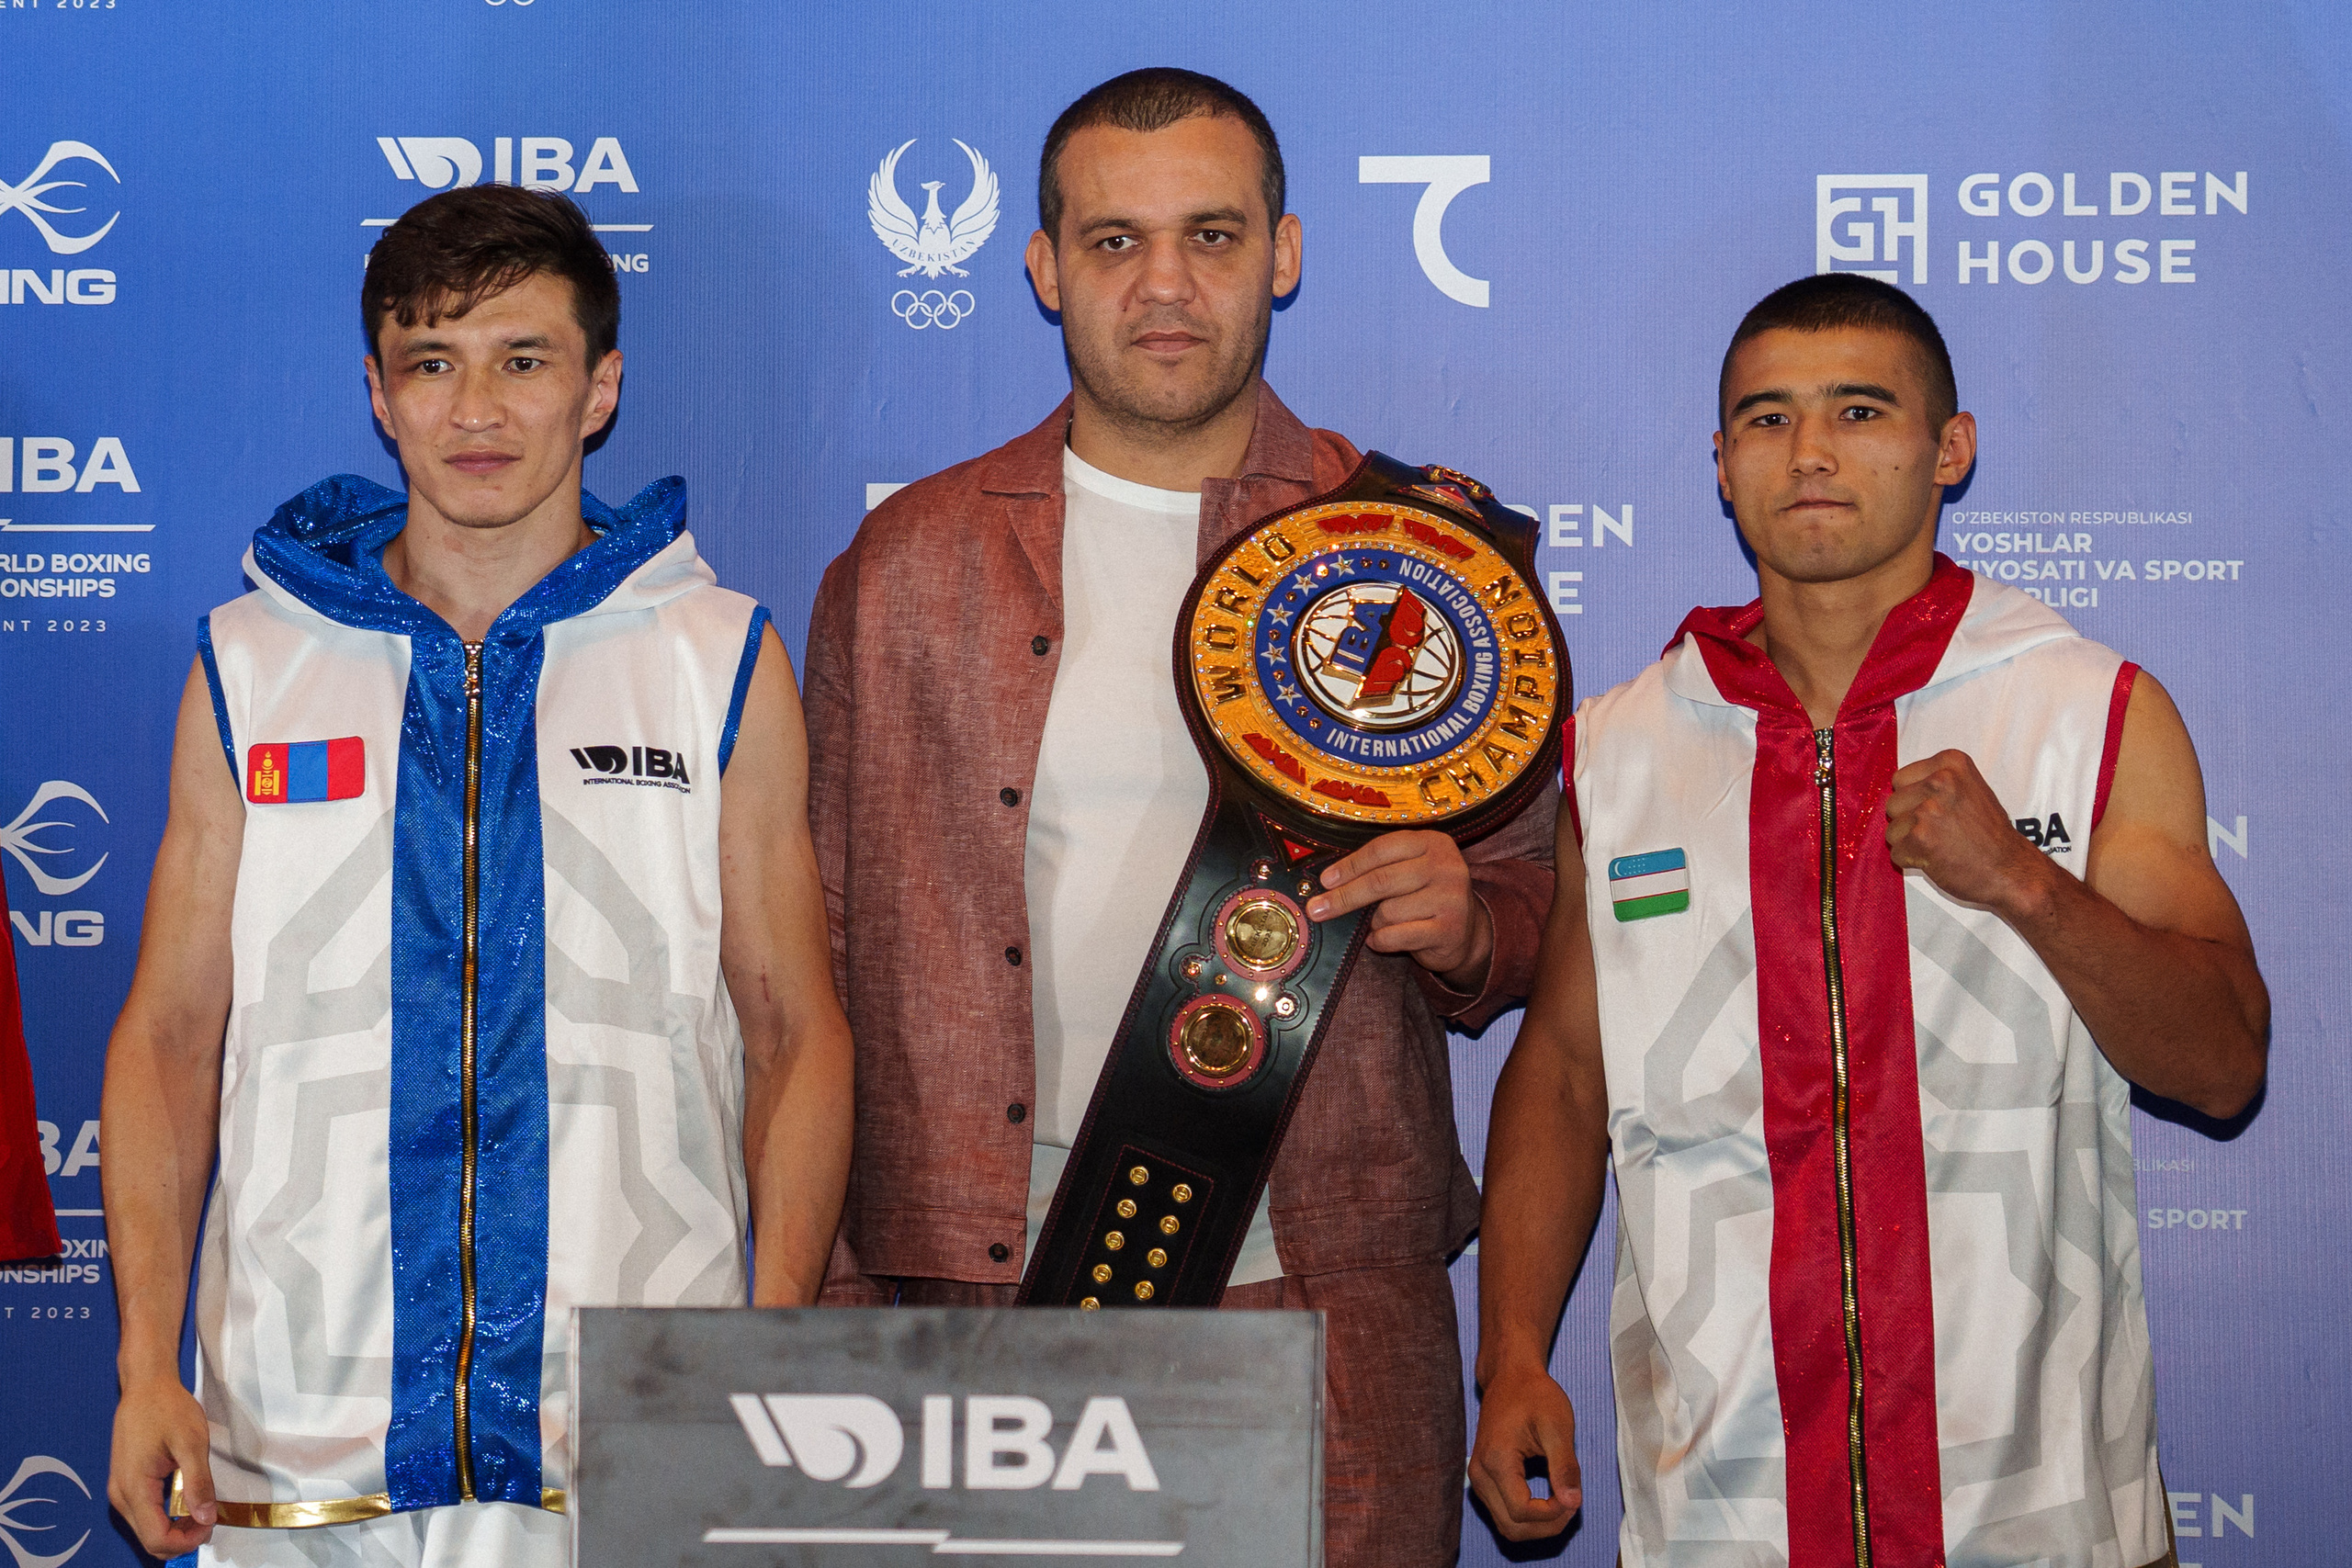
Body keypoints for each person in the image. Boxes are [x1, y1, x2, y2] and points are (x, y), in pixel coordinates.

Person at [805, 68, 1555, 1565]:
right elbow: (815, 954)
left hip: (1327, 1298)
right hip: (976, 1302)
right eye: (1113, 242)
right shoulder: (904, 564)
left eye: (1212, 237)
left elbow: (1532, 903)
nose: (1165, 285)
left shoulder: (1416, 554)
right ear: (1043, 268)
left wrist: (1471, 924)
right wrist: (828, 1303)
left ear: (1284, 252)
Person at [100, 185, 854, 1566]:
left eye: (525, 360)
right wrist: (150, 1362)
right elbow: (167, 1035)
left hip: (629, 1437)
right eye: (432, 365)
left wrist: (778, 1334)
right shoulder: (252, 661)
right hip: (299, 1447)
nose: (478, 412)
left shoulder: (717, 654)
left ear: (601, 386)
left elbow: (796, 1027)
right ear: (379, 397)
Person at [1468, 273, 2267, 1567]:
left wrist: (2024, 881)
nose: (1813, 452)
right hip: (1725, 1516)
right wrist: (1508, 1358)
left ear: (1949, 448)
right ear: (1721, 465)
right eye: (1768, 420)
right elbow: (1561, 1076)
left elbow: (2224, 1064)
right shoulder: (1620, 746)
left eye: (1859, 410)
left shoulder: (2086, 707)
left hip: (2041, 1520)